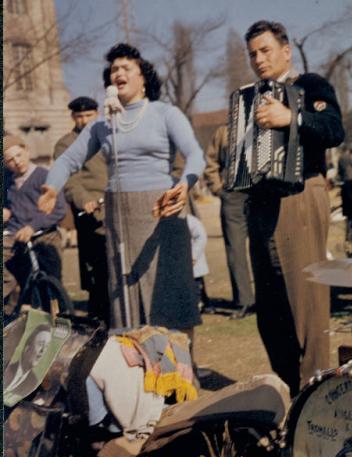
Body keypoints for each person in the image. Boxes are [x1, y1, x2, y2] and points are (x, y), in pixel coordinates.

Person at [40, 44, 203, 367]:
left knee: (170, 297)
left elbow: (194, 154)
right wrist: (51, 185)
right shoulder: (103, 125)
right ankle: (141, 381)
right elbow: (69, 159)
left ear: (143, 78)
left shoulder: (165, 113)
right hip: (120, 217)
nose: (118, 72)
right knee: (126, 301)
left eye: (126, 67)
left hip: (161, 211)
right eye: (114, 69)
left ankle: (180, 374)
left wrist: (185, 184)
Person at [242, 20, 345, 395]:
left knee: (307, 306)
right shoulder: (250, 97)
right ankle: (291, 391)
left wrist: (292, 118)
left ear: (286, 50)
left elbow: (335, 129)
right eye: (252, 53)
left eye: (265, 50)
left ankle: (315, 392)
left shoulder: (310, 85)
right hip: (262, 203)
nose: (258, 59)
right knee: (270, 311)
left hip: (301, 195)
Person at [54, 96, 110, 324]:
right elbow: (69, 180)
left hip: (119, 207)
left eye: (89, 115)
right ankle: (100, 320)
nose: (84, 120)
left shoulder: (109, 134)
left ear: (97, 113)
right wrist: (84, 200)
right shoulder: (66, 144)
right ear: (73, 117)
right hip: (90, 212)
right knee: (96, 272)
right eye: (79, 116)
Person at [3, 136, 67, 315]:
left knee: (50, 281)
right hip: (16, 233)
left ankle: (56, 316)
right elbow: (11, 207)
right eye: (10, 159)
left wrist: (32, 227)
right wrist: (6, 212)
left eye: (19, 155)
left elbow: (59, 209)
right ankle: (10, 307)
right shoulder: (8, 182)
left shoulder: (44, 176)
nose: (16, 162)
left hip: (43, 232)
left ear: (27, 151)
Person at [203, 124, 255, 319]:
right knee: (235, 249)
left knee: (266, 249)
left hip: (262, 194)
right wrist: (219, 190)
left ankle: (270, 301)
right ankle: (244, 302)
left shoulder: (264, 123)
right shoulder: (223, 131)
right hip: (232, 196)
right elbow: (211, 162)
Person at [4, 323, 52, 400]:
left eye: (46, 346)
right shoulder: (7, 368)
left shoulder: (34, 381)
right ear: (27, 347)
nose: (42, 351)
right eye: (40, 344)